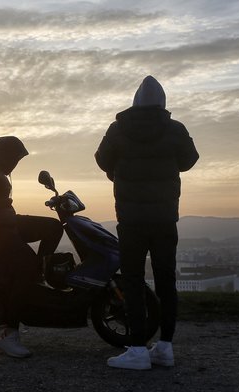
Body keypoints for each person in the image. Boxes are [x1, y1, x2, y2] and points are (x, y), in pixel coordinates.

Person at [95, 76, 199, 370]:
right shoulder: (175, 129)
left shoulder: (118, 129)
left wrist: (120, 170)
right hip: (165, 218)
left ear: (134, 102)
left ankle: (138, 348)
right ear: (163, 103)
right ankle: (165, 347)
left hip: (131, 219)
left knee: (133, 280)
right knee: (166, 280)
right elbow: (190, 160)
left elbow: (102, 159)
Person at [0, 136, 63, 358]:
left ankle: (39, 276)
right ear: (2, 155)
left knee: (53, 227)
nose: (16, 163)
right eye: (15, 158)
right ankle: (9, 334)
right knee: (26, 267)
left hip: (9, 224)